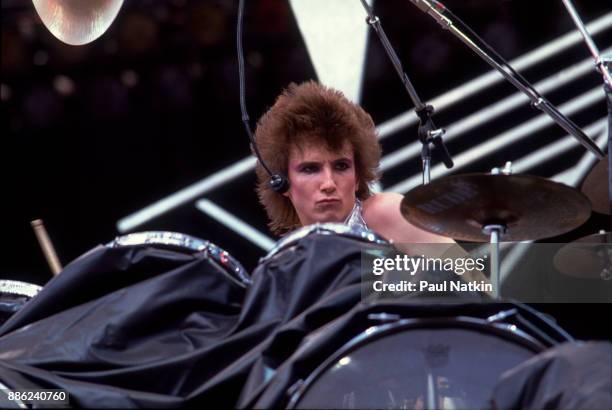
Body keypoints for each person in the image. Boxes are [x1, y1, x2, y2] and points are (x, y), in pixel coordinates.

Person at [254, 80, 453, 248]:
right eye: (310, 169)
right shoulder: (290, 261)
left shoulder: (385, 212)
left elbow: (473, 281)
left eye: (341, 166)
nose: (329, 184)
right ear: (281, 183)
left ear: (357, 177)